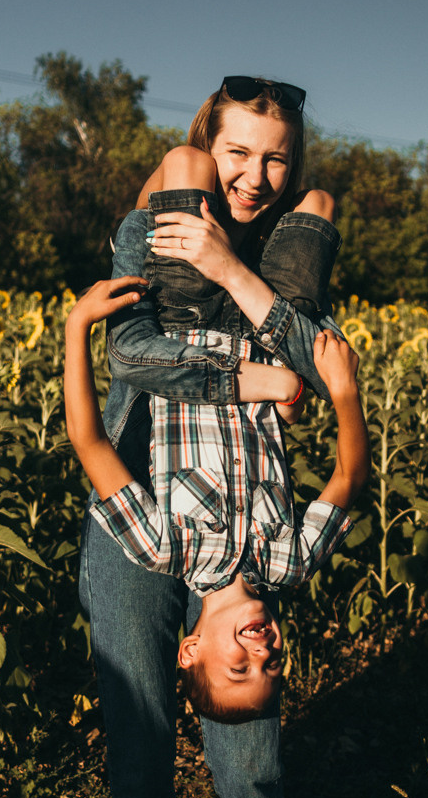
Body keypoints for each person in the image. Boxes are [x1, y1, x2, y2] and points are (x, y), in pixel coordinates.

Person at [76, 76, 364, 798]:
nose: (255, 175)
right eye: (236, 151)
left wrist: (234, 277)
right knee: (140, 730)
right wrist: (248, 369)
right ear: (209, 141)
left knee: (248, 740)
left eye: (275, 157)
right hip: (138, 517)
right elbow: (133, 358)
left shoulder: (283, 259)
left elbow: (317, 363)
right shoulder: (152, 227)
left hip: (233, 527)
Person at [65, 281, 368, 724]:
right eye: (273, 666)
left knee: (160, 218)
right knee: (313, 213)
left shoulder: (162, 547)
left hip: (176, 316)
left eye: (240, 668)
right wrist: (344, 392)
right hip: (260, 317)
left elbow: (89, 443)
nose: (262, 651)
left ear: (191, 650)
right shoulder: (290, 561)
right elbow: (350, 476)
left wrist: (77, 326)